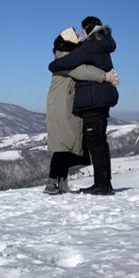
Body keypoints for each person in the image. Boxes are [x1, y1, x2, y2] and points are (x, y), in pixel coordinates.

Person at [48, 17, 118, 195]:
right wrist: (107, 76)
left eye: (81, 32)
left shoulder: (88, 47)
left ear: (88, 31)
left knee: (94, 143)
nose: (80, 37)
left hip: (92, 100)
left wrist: (53, 65)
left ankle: (101, 184)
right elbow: (80, 69)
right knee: (98, 143)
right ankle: (104, 184)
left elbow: (76, 68)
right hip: (100, 99)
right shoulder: (103, 46)